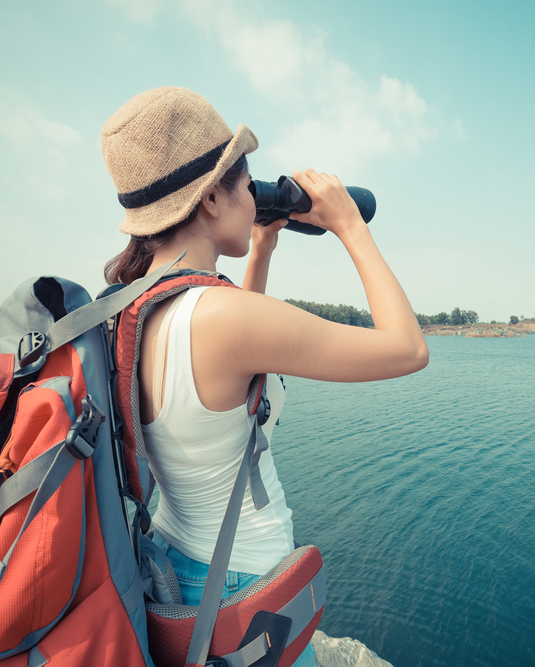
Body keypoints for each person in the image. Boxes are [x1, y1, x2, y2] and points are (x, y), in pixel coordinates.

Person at [101, 87, 428, 666]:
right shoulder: (224, 319)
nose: (254, 197)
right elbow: (407, 348)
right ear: (209, 200)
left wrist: (261, 249)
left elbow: (228, 377)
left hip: (175, 568)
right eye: (246, 183)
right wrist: (351, 227)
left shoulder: (129, 308)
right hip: (239, 594)